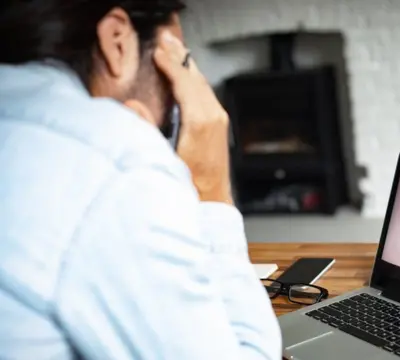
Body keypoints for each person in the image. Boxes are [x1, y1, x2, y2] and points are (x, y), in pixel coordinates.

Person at [0, 1, 281, 359]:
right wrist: (210, 189)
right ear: (117, 39)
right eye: (180, 60)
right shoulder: (116, 161)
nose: (180, 90)